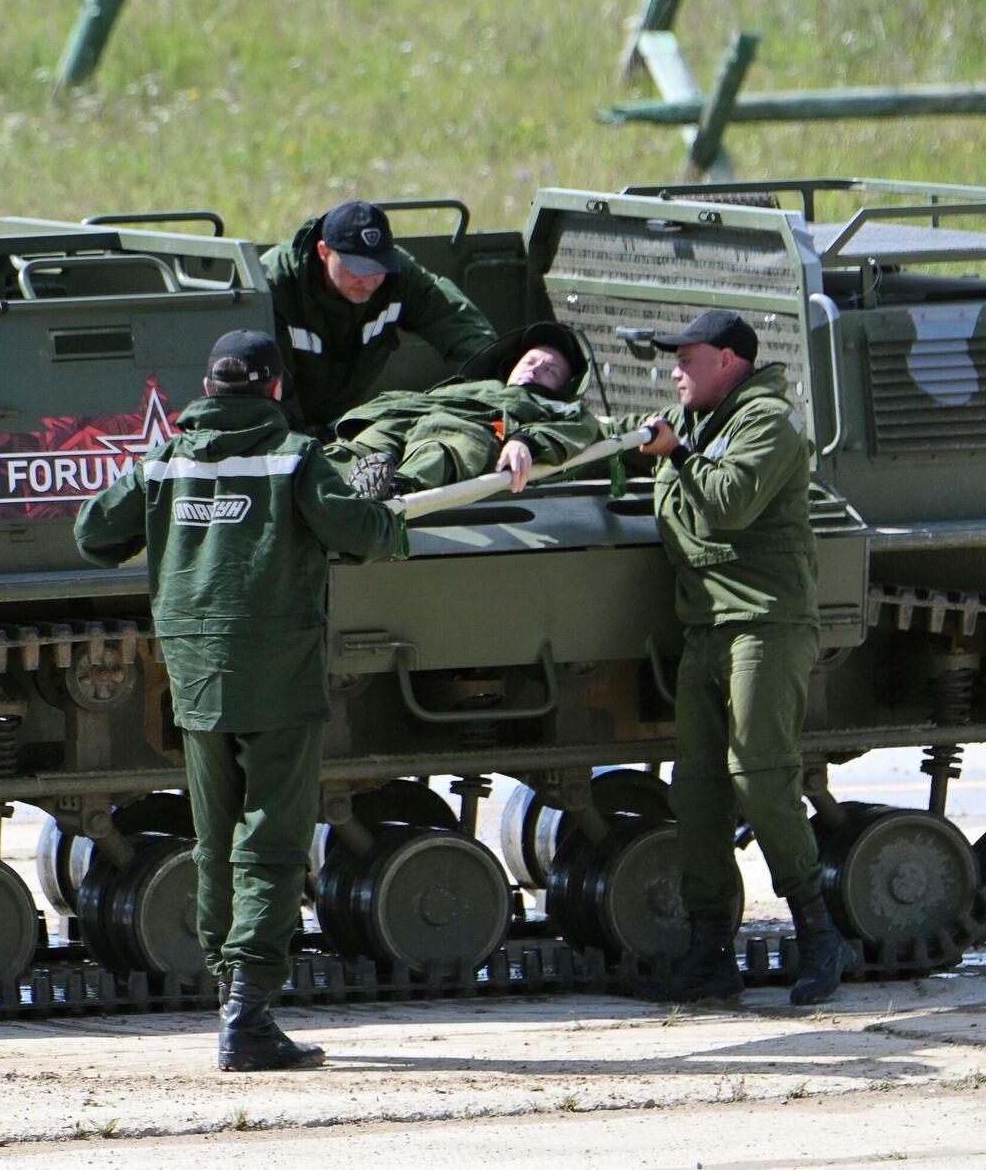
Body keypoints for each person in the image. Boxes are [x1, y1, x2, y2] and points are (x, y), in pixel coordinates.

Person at [73, 329, 402, 1071]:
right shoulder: (295, 456)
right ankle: (249, 1012)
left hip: (195, 675)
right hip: (278, 672)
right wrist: (385, 512)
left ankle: (229, 991)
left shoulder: (167, 455)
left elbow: (94, 532)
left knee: (216, 837)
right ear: (276, 388)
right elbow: (359, 534)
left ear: (211, 388)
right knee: (274, 841)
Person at [631, 308, 856, 1007]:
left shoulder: (766, 422)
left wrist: (675, 455)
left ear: (727, 361)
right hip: (705, 625)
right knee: (697, 793)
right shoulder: (692, 421)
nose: (675, 372)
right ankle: (709, 949)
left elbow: (727, 503)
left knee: (760, 775)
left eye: (687, 359)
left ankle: (820, 933)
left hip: (764, 619)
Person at [262, 200, 497, 429]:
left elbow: (455, 321)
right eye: (356, 268)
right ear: (324, 251)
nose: (368, 281)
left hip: (346, 421)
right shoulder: (275, 287)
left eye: (378, 267)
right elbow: (268, 390)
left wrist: (497, 378)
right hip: (283, 429)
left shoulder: (397, 276)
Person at [328, 321, 601, 499]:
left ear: (564, 387)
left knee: (440, 448)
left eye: (550, 370)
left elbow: (595, 430)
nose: (535, 369)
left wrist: (525, 441)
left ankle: (394, 489)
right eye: (530, 360)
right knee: (368, 445)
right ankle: (322, 483)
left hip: (482, 428)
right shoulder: (474, 386)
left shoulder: (561, 409)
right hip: (410, 416)